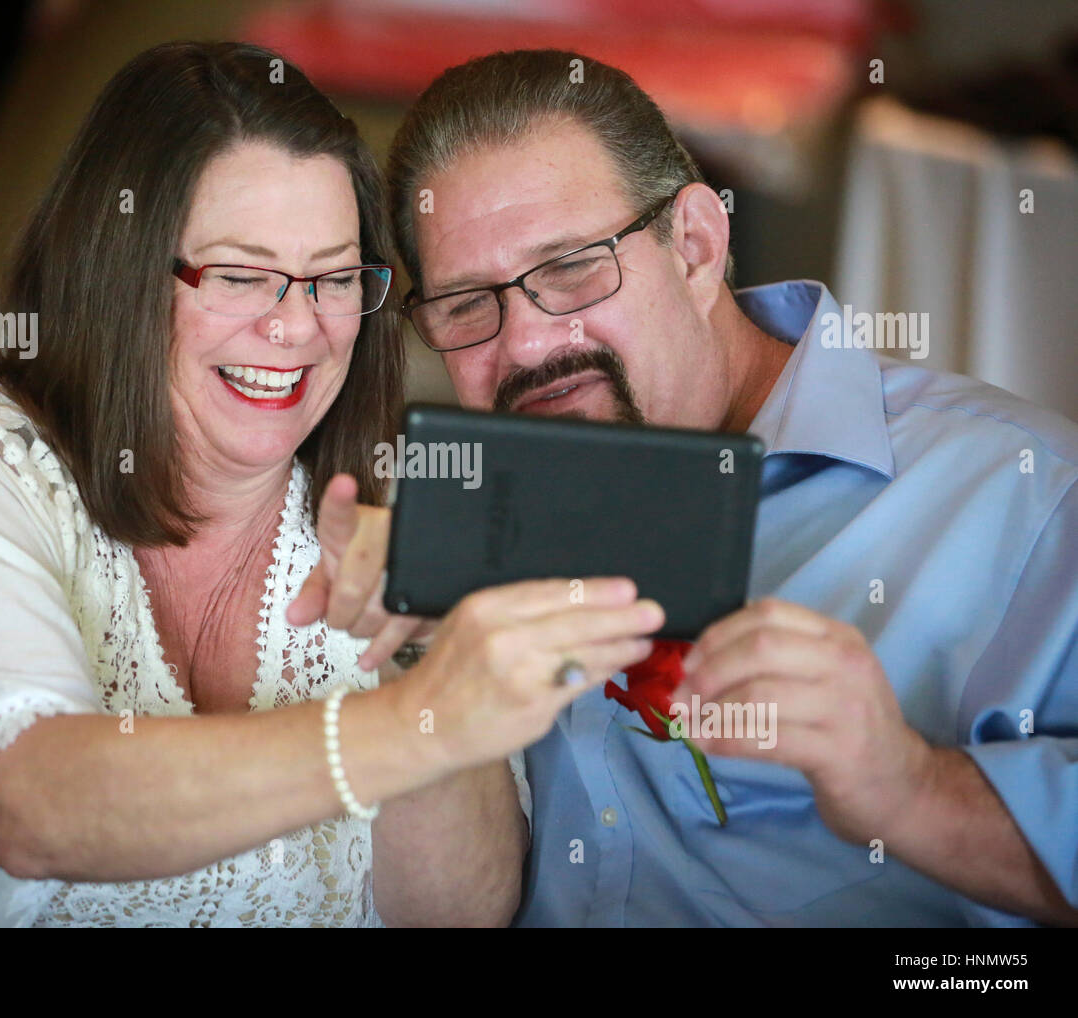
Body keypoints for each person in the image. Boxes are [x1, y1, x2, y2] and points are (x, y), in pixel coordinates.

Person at [0, 41, 665, 928]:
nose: (295, 328)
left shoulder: (372, 529)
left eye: (331, 280)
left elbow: (456, 917)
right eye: (241, 275)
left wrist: (408, 664)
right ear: (118, 273)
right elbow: (26, 807)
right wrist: (411, 722)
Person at [297, 49, 1078, 926]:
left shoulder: (1027, 498)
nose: (523, 345)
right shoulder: (465, 512)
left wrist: (908, 787)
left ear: (698, 247)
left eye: (573, 267)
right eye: (470, 304)